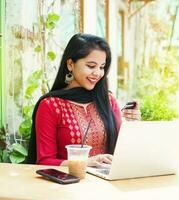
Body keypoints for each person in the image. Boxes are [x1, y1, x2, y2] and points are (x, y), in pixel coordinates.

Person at [26, 33, 141, 166]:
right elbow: (45, 161)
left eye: (102, 67)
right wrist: (85, 163)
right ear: (70, 64)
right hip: (67, 183)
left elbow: (123, 150)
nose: (98, 73)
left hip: (107, 183)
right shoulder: (51, 105)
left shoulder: (107, 100)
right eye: (91, 66)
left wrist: (134, 125)